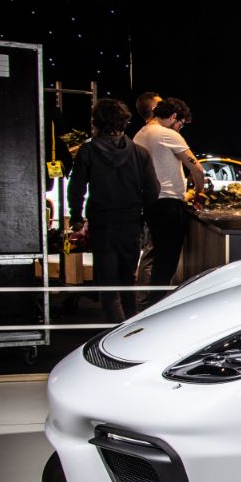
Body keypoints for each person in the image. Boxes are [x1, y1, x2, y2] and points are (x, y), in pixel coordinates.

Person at [67, 99, 159, 323]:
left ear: (97, 121)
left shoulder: (87, 151)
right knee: (128, 280)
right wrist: (144, 215)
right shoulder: (140, 153)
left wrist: (77, 217)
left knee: (108, 283)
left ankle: (112, 331)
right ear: (125, 121)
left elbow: (76, 188)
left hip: (102, 223)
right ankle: (130, 328)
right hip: (131, 222)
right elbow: (153, 190)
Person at [134, 97, 204, 303]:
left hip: (149, 201)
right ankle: (156, 302)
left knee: (156, 254)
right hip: (169, 202)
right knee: (167, 258)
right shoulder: (168, 134)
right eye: (180, 123)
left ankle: (147, 299)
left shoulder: (141, 133)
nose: (180, 128)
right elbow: (197, 168)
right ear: (174, 117)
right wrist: (199, 190)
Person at [133, 91, 161, 286]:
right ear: (153, 109)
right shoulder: (157, 134)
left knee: (150, 250)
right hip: (158, 200)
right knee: (152, 252)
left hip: (149, 199)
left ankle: (143, 298)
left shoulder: (141, 135)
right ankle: (145, 300)